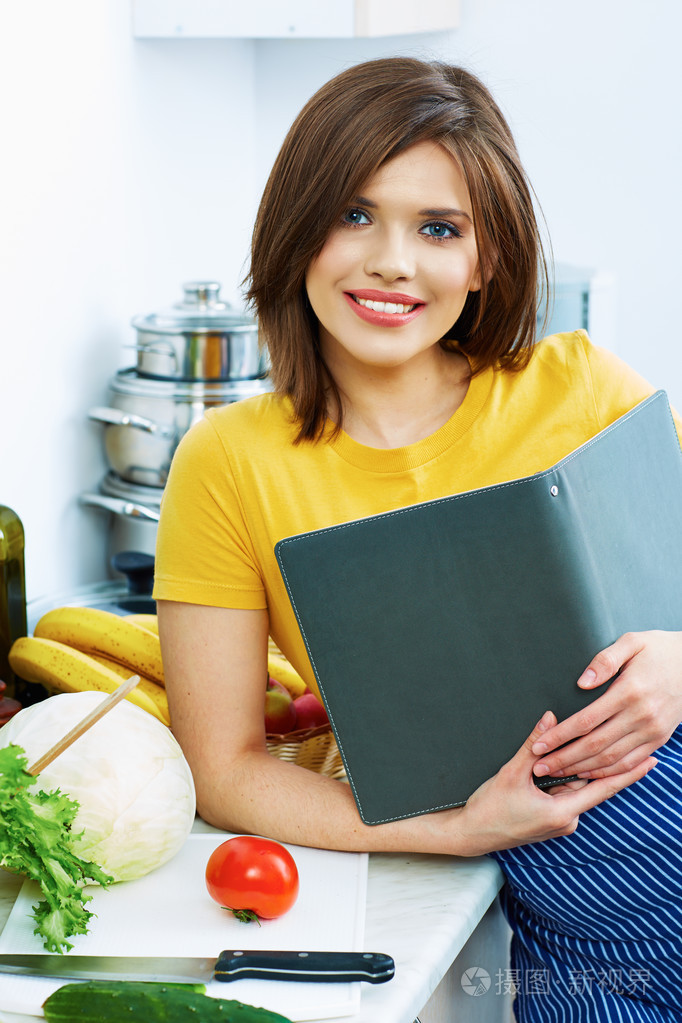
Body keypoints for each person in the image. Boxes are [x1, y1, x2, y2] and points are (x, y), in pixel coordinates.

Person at [153, 57, 682, 1020]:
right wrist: (456, 827)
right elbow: (224, 770)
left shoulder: (582, 388)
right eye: (354, 214)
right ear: (296, 228)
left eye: (439, 228)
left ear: (486, 261)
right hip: (586, 934)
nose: (392, 260)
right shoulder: (227, 461)